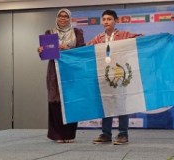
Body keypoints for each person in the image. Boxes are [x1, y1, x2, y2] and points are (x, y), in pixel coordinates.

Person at [87, 9, 142, 145]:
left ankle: (123, 134)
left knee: (121, 104)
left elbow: (140, 39)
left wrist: (160, 38)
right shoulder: (98, 38)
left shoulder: (124, 35)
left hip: (120, 74)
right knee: (106, 104)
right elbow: (84, 50)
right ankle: (106, 134)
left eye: (109, 19)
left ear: (116, 21)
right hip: (104, 76)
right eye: (104, 19)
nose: (106, 22)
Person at [37, 8, 85, 143]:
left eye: (66, 17)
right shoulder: (49, 32)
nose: (63, 19)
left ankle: (69, 134)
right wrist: (40, 51)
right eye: (60, 16)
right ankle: (57, 135)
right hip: (54, 71)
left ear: (70, 19)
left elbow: (82, 50)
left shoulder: (77, 32)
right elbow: (45, 54)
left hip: (71, 71)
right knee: (55, 102)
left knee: (71, 102)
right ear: (57, 18)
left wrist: (68, 49)